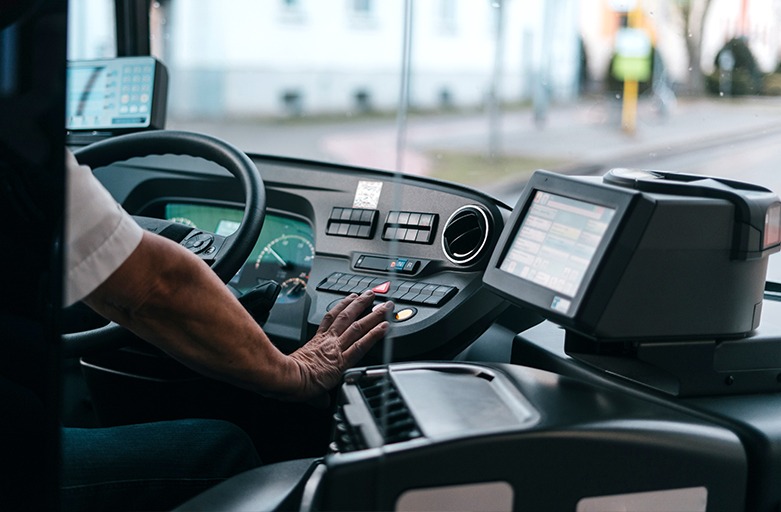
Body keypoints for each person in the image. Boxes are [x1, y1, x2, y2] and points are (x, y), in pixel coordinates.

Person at [60, 149, 391, 510]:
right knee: (220, 450)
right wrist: (292, 371)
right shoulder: (27, 152)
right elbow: (155, 285)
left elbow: (96, 274)